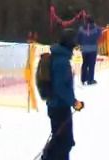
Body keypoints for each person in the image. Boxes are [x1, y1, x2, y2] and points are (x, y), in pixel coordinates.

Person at [42, 28, 83, 160]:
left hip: (57, 106)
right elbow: (60, 87)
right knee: (64, 142)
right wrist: (73, 102)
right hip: (59, 107)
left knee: (61, 141)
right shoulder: (61, 62)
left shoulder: (59, 57)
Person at [77, 17, 104, 86]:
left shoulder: (81, 28)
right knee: (91, 65)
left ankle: (83, 79)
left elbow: (78, 38)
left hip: (84, 49)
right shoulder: (97, 29)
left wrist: (81, 44)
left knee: (84, 64)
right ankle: (90, 80)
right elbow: (99, 35)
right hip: (93, 49)